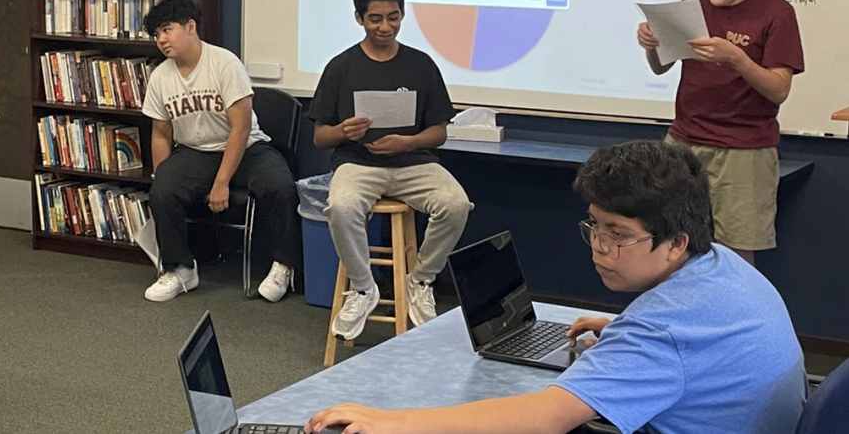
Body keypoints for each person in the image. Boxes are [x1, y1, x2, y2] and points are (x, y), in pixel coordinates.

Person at [304, 140, 804, 434]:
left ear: (676, 242)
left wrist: (394, 421)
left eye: (620, 236)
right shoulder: (723, 267)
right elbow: (698, 348)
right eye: (595, 226)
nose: (600, 248)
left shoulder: (661, 331)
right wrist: (620, 331)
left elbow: (548, 417)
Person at [309, 0, 471, 340]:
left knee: (456, 204)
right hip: (357, 162)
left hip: (414, 162)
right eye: (375, 18)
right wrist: (343, 131)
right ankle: (364, 288)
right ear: (359, 18)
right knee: (341, 206)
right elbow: (320, 137)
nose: (385, 26)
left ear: (402, 13)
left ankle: (421, 279)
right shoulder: (341, 67)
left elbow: (440, 132)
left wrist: (407, 142)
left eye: (393, 17)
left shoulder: (420, 64)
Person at [637, 0, 804, 265]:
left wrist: (736, 58)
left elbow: (779, 89)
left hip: (744, 150)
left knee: (736, 252)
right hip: (683, 140)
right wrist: (651, 46)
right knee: (669, 241)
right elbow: (661, 67)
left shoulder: (776, 12)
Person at [138, 0, 299, 303]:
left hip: (247, 147)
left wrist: (222, 182)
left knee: (280, 185)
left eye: (167, 30)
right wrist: (163, 175)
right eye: (156, 34)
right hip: (196, 151)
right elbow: (161, 133)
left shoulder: (224, 64)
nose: (161, 40)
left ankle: (283, 266)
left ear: (190, 27)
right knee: (162, 191)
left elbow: (240, 127)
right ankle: (181, 268)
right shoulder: (160, 77)